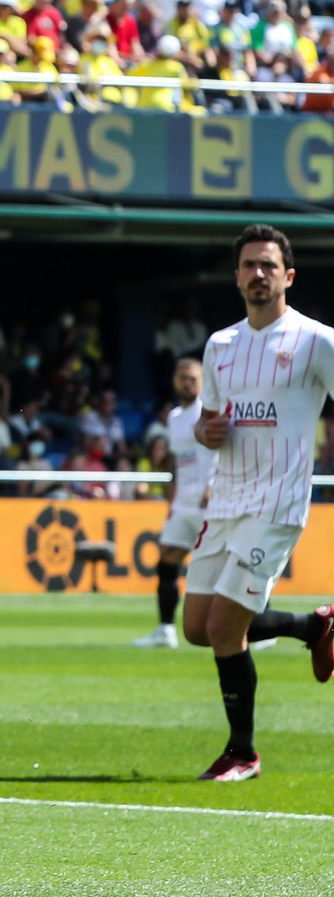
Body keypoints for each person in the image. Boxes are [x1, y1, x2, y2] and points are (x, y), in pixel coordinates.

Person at [184, 224, 334, 782]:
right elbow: (207, 421)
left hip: (276, 503)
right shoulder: (220, 346)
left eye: (268, 266)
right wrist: (207, 433)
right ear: (237, 277)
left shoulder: (316, 341)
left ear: (288, 276)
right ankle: (315, 628)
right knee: (197, 627)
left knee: (225, 629)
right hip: (226, 500)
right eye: (248, 266)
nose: (258, 275)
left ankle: (242, 753)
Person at [134, 357, 217, 650]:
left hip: (211, 501)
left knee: (234, 563)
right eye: (182, 377)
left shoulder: (210, 413)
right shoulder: (173, 417)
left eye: (193, 378)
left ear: (203, 381)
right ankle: (166, 629)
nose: (187, 382)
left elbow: (224, 451)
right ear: (174, 381)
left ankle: (263, 627)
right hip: (183, 502)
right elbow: (176, 461)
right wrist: (171, 492)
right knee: (167, 559)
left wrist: (213, 485)